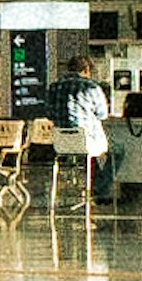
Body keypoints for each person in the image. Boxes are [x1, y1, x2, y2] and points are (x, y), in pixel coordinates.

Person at [59, 61, 112, 206]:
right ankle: (98, 191)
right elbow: (102, 114)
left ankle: (80, 186)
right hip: (87, 141)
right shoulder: (91, 87)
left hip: (60, 143)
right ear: (86, 70)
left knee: (89, 154)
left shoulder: (54, 87)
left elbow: (49, 113)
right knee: (113, 153)